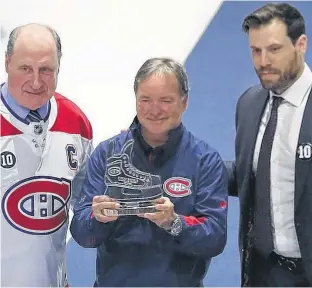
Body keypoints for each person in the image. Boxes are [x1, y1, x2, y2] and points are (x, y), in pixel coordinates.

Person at [70, 57, 228, 287]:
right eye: (145, 100)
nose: (154, 110)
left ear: (184, 102)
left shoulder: (205, 161)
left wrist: (174, 223)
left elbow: (215, 238)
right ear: (135, 100)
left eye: (166, 100)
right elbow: (82, 233)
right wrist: (99, 219)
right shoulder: (108, 154)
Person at [226, 3, 312, 287]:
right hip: (262, 273)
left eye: (274, 49)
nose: (263, 61)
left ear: (301, 44)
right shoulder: (249, 104)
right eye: (255, 50)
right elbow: (252, 175)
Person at [0, 23, 93, 287]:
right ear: (7, 63)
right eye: (26, 69)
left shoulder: (76, 124)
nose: (36, 82)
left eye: (46, 70)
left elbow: (86, 213)